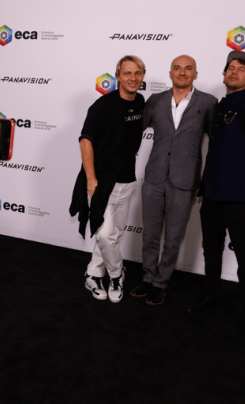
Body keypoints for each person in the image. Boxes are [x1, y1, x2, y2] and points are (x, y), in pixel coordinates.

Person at [130, 55, 217, 305]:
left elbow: (217, 144)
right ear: (170, 73)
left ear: (195, 74)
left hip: (185, 179)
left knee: (174, 237)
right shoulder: (155, 100)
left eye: (188, 69)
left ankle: (161, 282)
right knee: (150, 234)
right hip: (155, 176)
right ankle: (147, 278)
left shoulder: (209, 102)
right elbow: (133, 132)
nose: (182, 72)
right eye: (177, 68)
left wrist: (208, 179)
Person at [185, 51, 245, 347]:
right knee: (211, 252)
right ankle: (212, 294)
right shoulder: (219, 106)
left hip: (242, 199)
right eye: (230, 68)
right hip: (211, 194)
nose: (234, 72)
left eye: (241, 69)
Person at [70, 55, 146, 303]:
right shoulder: (102, 106)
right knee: (104, 235)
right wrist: (91, 179)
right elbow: (85, 140)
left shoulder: (141, 102)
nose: (133, 78)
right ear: (118, 76)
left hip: (129, 182)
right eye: (127, 73)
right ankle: (116, 275)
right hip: (103, 182)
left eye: (137, 73)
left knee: (113, 234)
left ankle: (92, 274)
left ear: (142, 76)